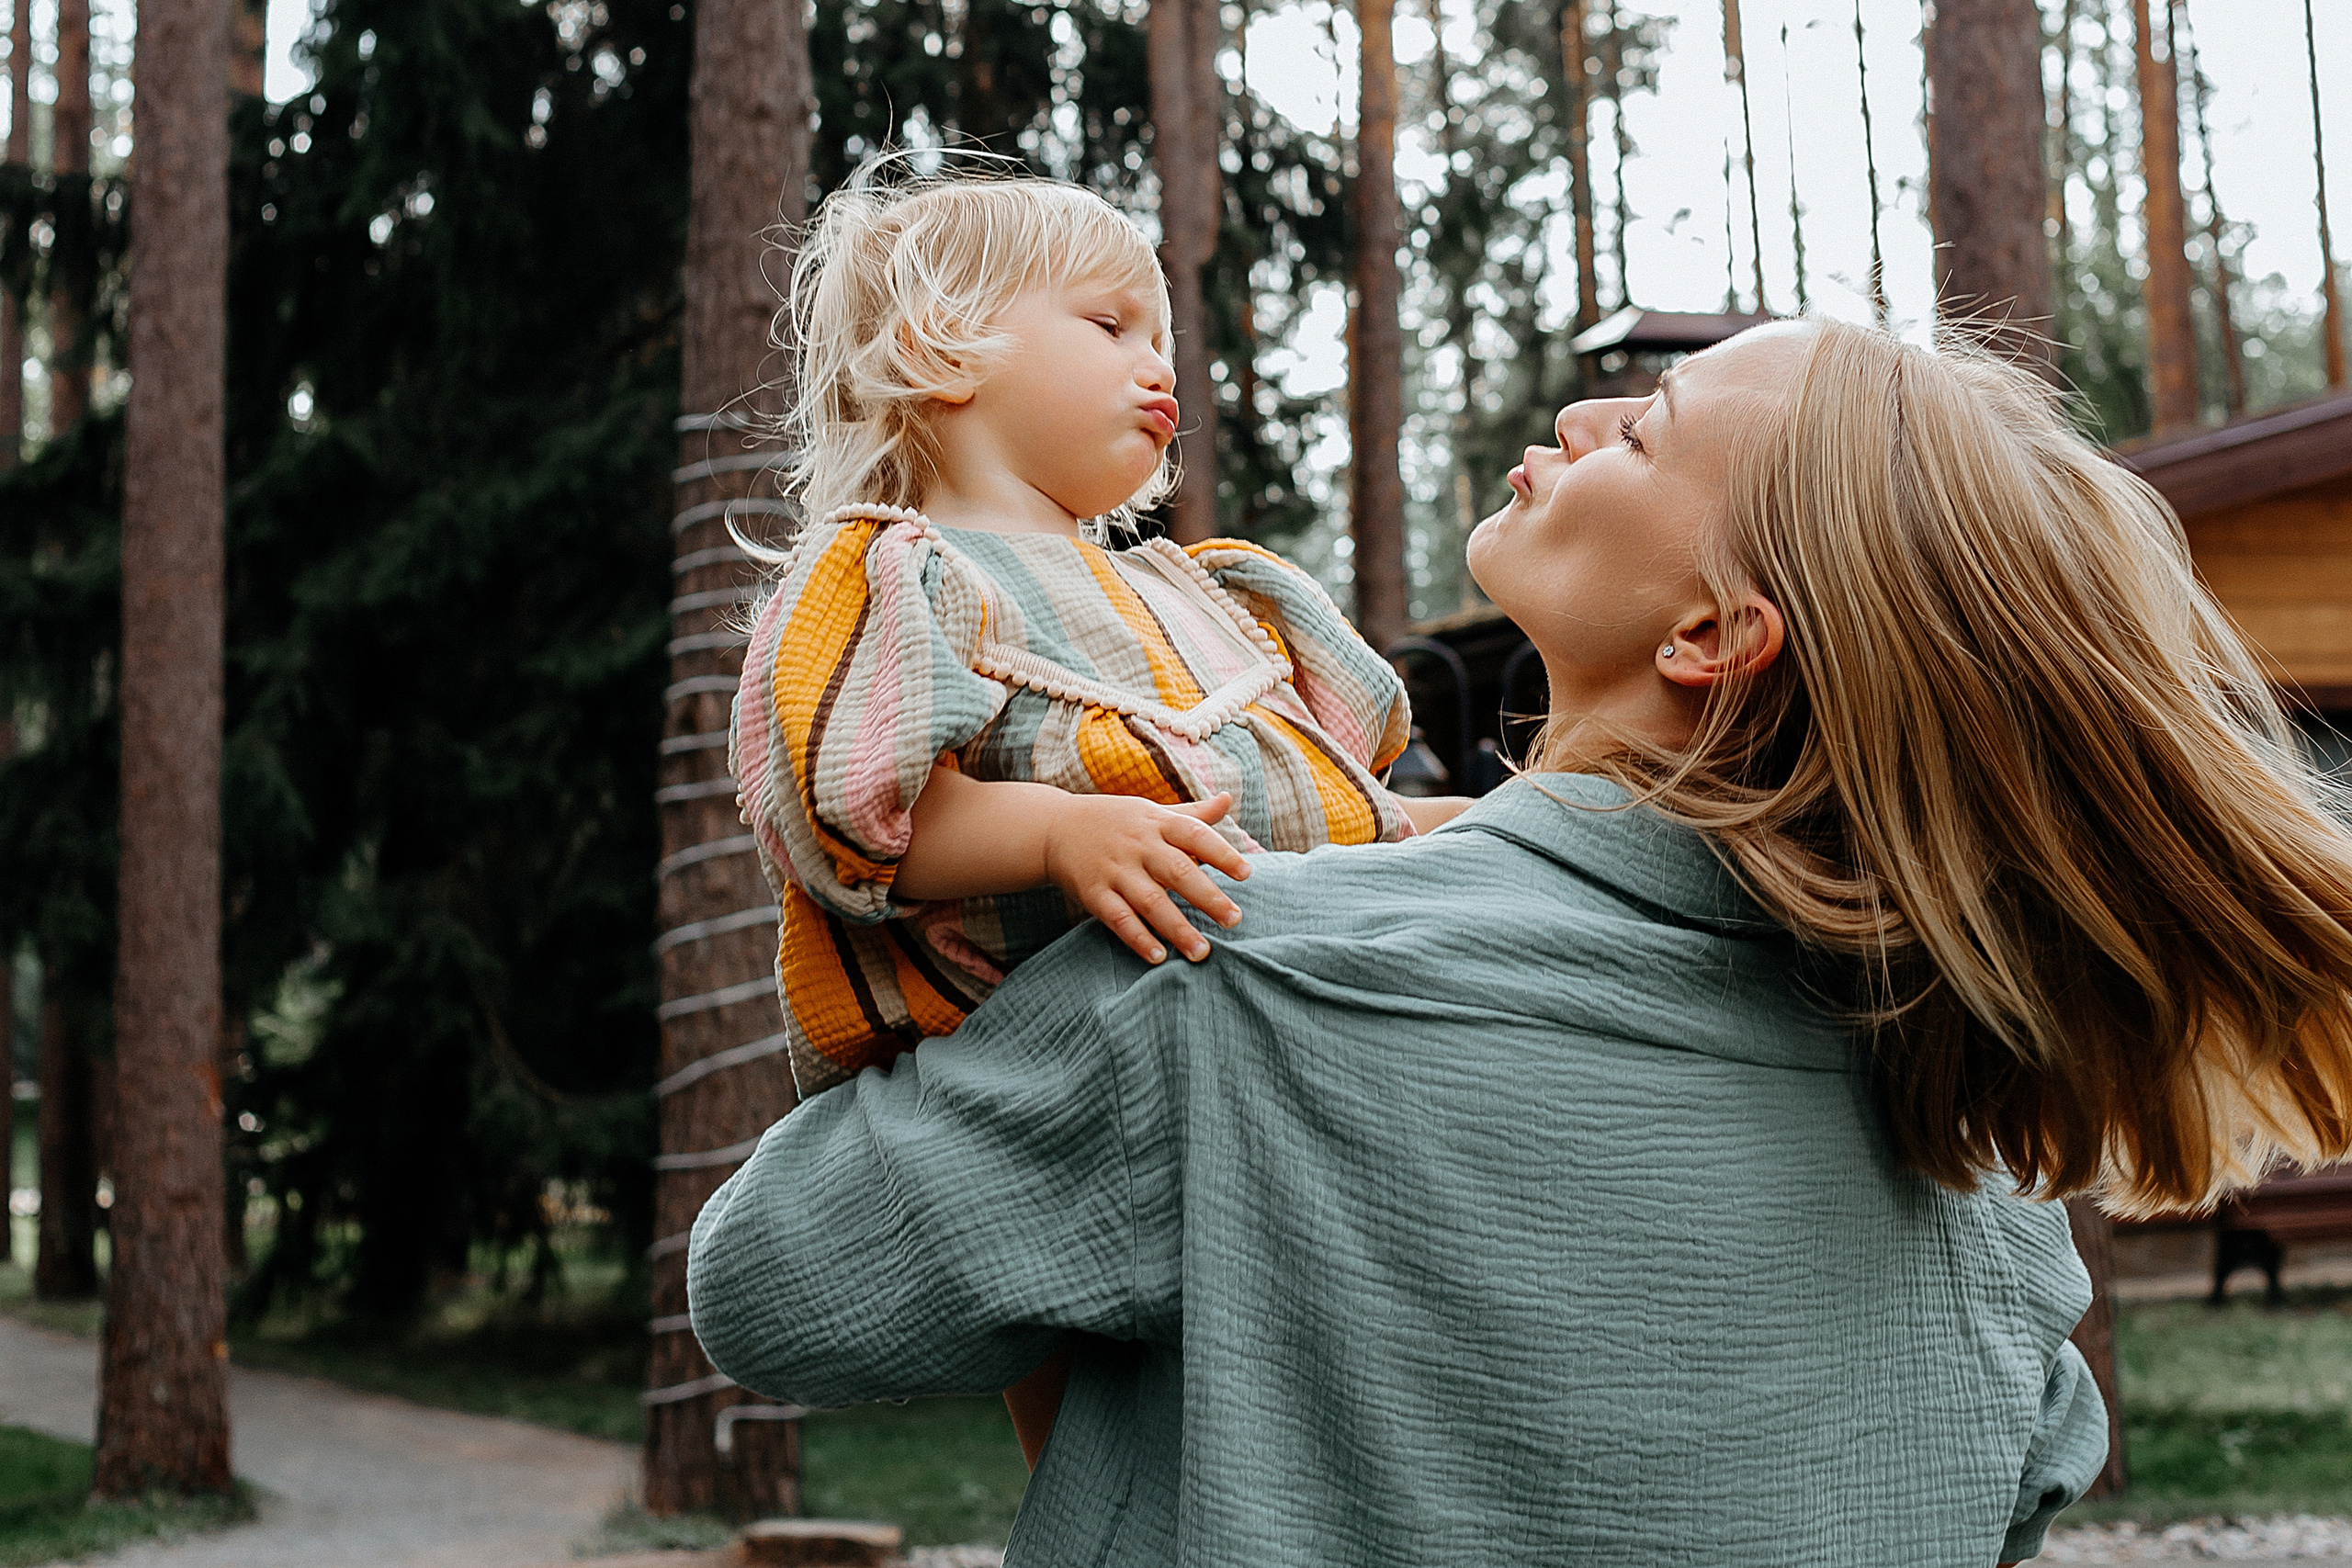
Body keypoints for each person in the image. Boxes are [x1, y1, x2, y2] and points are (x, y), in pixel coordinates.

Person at [690, 318, 2352, 1566]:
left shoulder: (1239, 970)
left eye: (1649, 427)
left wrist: (970, 906)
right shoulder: (1977, 1181)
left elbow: (778, 1291)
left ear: (1711, 634)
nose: (1581, 412)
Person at [727, 165, 1469, 1465]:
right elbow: (860, 818)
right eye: (1109, 326)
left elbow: (1309, 804)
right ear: (936, 353)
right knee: (1106, 1457)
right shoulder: (902, 573)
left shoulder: (1207, 591)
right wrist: (1062, 837)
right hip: (1046, 1100)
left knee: (1289, 1419)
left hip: (1273, 1061)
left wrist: (1455, 831)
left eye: (1163, 340)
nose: (1159, 367)